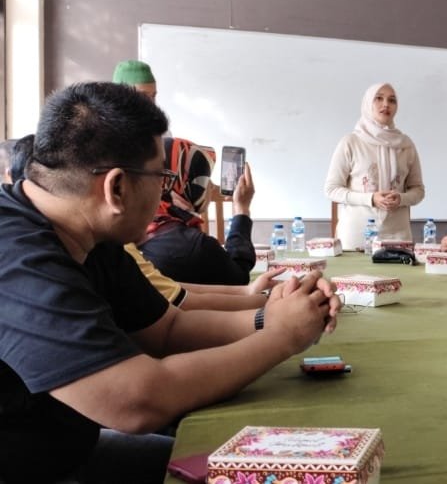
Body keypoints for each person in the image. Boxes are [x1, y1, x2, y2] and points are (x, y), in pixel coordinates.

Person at [0, 82, 339, 482]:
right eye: (161, 175)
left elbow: (166, 329)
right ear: (117, 187)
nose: (165, 189)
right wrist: (281, 338)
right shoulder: (19, 259)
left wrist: (275, 313)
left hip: (67, 453)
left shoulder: (89, 233)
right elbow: (137, 401)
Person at [8, 134, 270, 311]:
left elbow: (170, 303)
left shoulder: (109, 249)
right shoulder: (183, 246)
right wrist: (268, 316)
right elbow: (173, 322)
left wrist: (253, 299)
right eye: (158, 177)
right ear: (116, 186)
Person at [137, 138, 256, 285]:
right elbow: (239, 278)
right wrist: (242, 209)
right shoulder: (194, 246)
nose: (211, 186)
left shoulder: (135, 226)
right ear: (187, 185)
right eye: (203, 179)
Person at [324, 83, 425, 250]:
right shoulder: (351, 142)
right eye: (378, 98)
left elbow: (418, 190)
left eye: (392, 100)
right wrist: (370, 199)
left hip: (397, 236)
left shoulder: (406, 144)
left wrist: (401, 199)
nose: (386, 104)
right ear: (368, 103)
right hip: (356, 237)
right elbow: (331, 189)